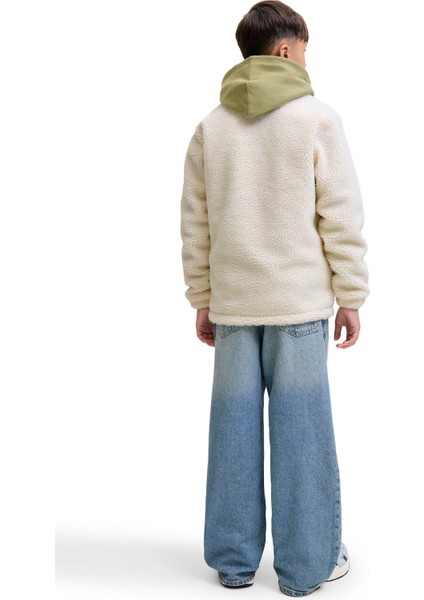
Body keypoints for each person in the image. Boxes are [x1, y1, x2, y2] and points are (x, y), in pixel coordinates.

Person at [180, 1, 369, 596]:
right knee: (302, 436)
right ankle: (307, 567)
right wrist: (351, 293)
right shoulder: (316, 119)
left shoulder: (211, 127)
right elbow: (340, 215)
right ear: (286, 50)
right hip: (298, 309)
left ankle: (234, 563)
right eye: (305, 50)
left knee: (231, 433)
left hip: (234, 308)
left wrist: (202, 296)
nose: (307, 61)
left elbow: (196, 225)